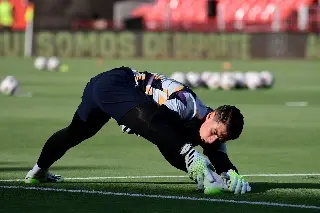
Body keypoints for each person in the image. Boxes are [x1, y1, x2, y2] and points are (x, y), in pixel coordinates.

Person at [25, 66, 251, 194]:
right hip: (114, 83)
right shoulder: (186, 105)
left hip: (106, 90)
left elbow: (218, 154)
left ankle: (37, 172)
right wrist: (190, 155)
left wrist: (231, 173)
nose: (211, 140)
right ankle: (39, 169)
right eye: (214, 132)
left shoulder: (211, 127)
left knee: (75, 132)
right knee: (171, 136)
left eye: (219, 138)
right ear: (211, 115)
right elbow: (160, 128)